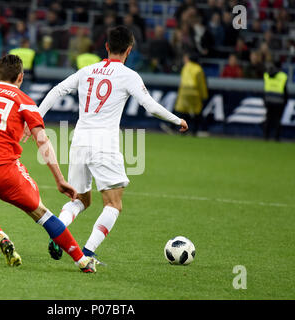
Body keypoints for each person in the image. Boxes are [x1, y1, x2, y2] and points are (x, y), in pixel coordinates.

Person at [23, 26, 188, 263]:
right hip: (104, 145)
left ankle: (58, 232)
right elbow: (150, 106)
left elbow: (56, 90)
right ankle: (87, 252)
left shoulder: (87, 70)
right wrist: (177, 119)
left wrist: (34, 120)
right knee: (114, 204)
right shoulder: (129, 76)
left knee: (80, 199)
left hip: (79, 141)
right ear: (129, 50)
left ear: (107, 46)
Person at [0, 54, 97, 273]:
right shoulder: (24, 101)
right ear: (20, 77)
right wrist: (60, 180)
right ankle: (81, 260)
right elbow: (42, 139)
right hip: (5, 174)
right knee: (41, 213)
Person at [174, 52, 208, 135]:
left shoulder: (186, 66)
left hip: (184, 92)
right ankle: (195, 131)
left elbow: (182, 81)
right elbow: (201, 84)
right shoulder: (198, 69)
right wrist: (204, 95)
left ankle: (182, 130)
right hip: (194, 92)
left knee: (183, 112)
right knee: (197, 112)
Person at [263, 61, 288, 141]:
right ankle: (276, 137)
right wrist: (286, 100)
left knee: (268, 118)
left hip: (268, 99)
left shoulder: (267, 74)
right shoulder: (283, 76)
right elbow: (285, 90)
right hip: (279, 100)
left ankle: (266, 136)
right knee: (277, 119)